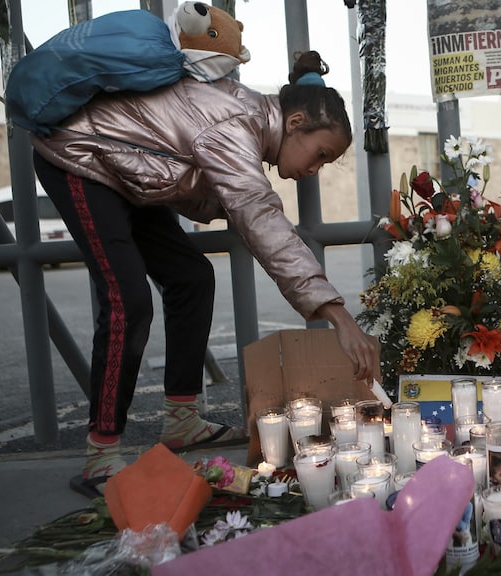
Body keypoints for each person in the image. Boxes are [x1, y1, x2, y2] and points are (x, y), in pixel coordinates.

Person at [31, 50, 380, 498]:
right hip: (81, 156)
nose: (313, 171)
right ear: (294, 124)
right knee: (128, 301)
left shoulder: (248, 122)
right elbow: (260, 218)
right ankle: (102, 452)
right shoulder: (237, 125)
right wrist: (340, 317)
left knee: (192, 278)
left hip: (127, 174)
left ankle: (181, 419)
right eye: (320, 155)